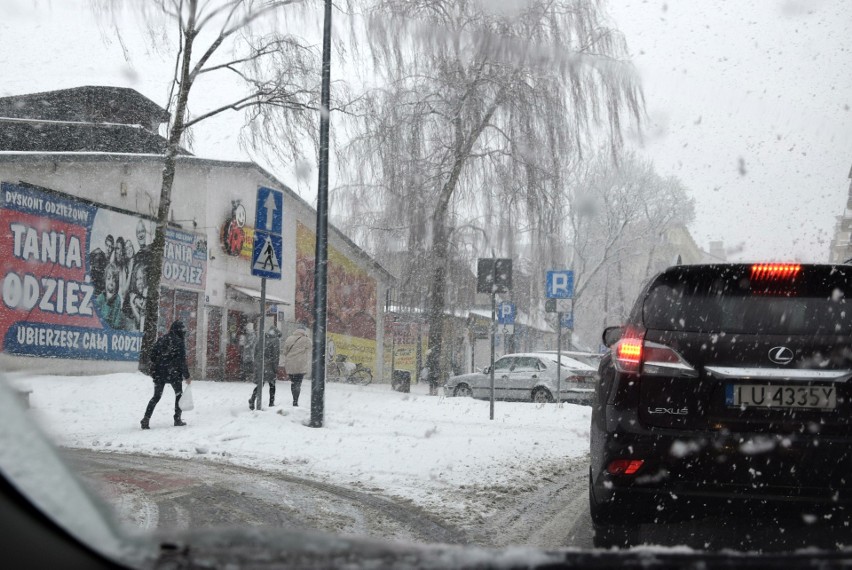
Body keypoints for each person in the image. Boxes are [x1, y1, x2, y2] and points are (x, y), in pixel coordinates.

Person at [141, 320, 191, 429]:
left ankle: (146, 418)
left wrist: (161, 362)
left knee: (156, 396)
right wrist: (187, 376)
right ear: (179, 331)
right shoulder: (179, 342)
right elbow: (182, 361)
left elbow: (152, 356)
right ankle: (177, 419)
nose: (183, 333)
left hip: (159, 373)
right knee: (179, 395)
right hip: (174, 374)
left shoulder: (162, 339)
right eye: (183, 331)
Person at [249, 327, 282, 409]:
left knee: (261, 383)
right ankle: (271, 403)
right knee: (272, 384)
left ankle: (252, 399)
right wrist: (275, 368)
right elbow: (275, 356)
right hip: (269, 365)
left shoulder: (261, 338)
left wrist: (257, 363)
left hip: (260, 364)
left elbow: (255, 351)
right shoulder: (275, 340)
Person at [282, 323, 312, 407]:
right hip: (300, 364)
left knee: (293, 383)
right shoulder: (306, 339)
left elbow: (284, 352)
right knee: (298, 383)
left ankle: (294, 399)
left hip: (290, 364)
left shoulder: (289, 338)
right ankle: (295, 401)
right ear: (304, 331)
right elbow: (311, 348)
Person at [94, 263, 125, 329]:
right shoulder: (101, 298)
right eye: (108, 278)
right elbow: (98, 319)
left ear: (117, 283)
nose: (111, 282)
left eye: (114, 280)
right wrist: (108, 304)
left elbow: (116, 323)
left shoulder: (117, 299)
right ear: (105, 280)